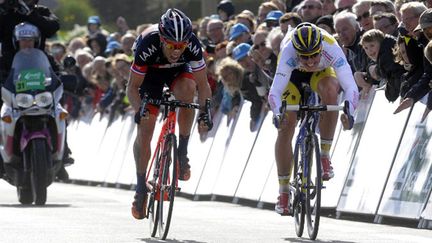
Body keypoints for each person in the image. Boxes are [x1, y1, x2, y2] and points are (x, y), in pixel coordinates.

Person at [126, 8, 213, 220]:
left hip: (177, 72)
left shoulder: (191, 44)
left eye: (181, 45)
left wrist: (205, 113)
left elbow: (203, 85)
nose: (177, 50)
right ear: (162, 39)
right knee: (145, 127)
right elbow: (131, 88)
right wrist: (140, 109)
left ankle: (182, 151)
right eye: (172, 45)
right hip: (151, 75)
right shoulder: (147, 44)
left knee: (188, 91)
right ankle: (140, 187)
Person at [268, 23, 359, 215]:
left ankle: (324, 156)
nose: (310, 62)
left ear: (321, 50)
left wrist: (349, 111)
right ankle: (283, 193)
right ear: (297, 53)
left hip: (322, 74)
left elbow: (350, 86)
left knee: (331, 93)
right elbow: (275, 91)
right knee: (287, 125)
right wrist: (278, 114)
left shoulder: (331, 47)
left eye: (314, 56)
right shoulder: (288, 52)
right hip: (292, 77)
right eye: (305, 57)